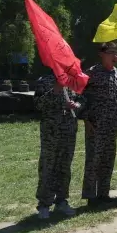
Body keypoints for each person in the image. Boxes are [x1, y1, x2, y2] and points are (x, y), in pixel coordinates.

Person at [34, 74, 85, 219]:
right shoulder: (44, 81)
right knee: (48, 166)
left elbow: (82, 99)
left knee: (65, 167)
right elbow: (38, 104)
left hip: (69, 131)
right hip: (51, 132)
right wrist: (55, 89)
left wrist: (77, 105)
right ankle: (44, 204)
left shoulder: (73, 80)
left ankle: (61, 201)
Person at [81, 42, 117, 205]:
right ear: (102, 54)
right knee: (93, 160)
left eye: (116, 53)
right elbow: (80, 96)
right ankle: (90, 196)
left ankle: (103, 193)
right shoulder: (92, 73)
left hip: (112, 125)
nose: (115, 56)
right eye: (111, 52)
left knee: (108, 159)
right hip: (95, 124)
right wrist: (86, 119)